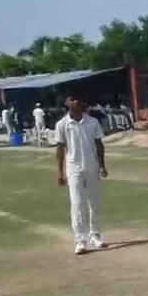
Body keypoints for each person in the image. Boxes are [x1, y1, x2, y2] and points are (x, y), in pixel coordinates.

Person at [54, 95, 108, 255]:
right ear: (67, 103)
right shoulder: (62, 124)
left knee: (95, 203)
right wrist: (60, 171)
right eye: (72, 99)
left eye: (78, 99)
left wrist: (102, 165)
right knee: (77, 203)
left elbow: (99, 145)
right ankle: (80, 240)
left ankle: (95, 234)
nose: (75, 102)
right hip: (73, 168)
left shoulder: (92, 122)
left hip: (92, 167)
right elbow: (59, 148)